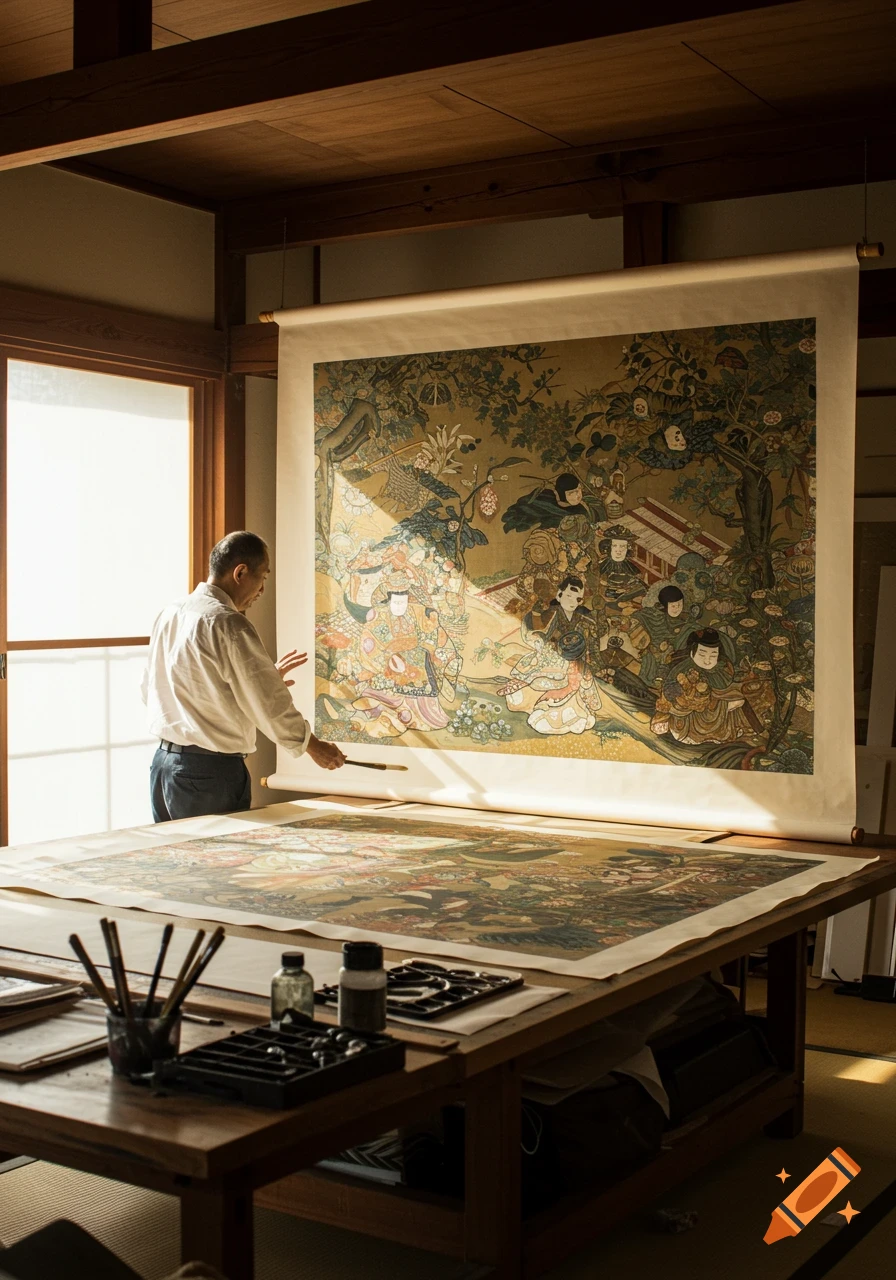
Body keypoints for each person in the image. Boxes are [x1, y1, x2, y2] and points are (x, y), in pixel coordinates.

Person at [143, 530, 345, 822]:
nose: (262, 589)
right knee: (218, 865)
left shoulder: (170, 613)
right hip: (208, 774)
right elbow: (268, 703)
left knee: (179, 863)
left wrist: (255, 680)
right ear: (240, 572)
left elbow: (153, 687)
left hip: (163, 767)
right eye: (263, 577)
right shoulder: (228, 622)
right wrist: (313, 746)